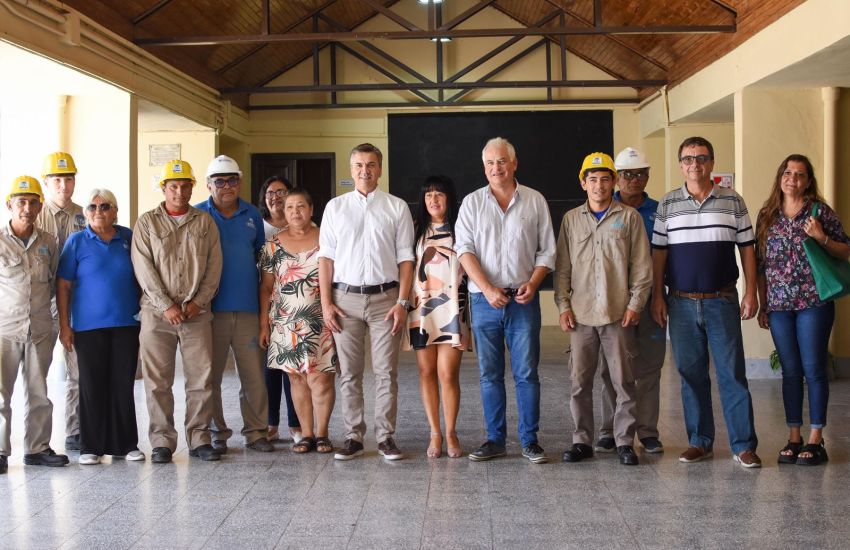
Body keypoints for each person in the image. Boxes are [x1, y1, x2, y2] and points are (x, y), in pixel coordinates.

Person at [651, 136, 761, 468]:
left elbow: (747, 249)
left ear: (711, 163)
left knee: (732, 375)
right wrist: (658, 296)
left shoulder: (733, 201)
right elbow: (659, 254)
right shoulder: (668, 204)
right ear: (680, 164)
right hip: (681, 304)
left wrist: (751, 291)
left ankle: (743, 445)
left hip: (722, 300)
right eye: (687, 159)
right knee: (691, 374)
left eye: (701, 158)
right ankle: (700, 441)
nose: (694, 164)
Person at [455, 137, 556, 464]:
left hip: (524, 300)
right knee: (489, 374)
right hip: (485, 302)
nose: (495, 168)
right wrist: (486, 288)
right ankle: (495, 439)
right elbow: (464, 250)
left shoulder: (535, 200)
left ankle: (530, 440)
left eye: (501, 161)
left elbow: (547, 250)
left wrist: (535, 281)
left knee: (527, 373)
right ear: (484, 167)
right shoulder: (471, 203)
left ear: (514, 164)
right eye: (489, 163)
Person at [318, 143, 415, 461]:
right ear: (351, 169)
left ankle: (386, 437)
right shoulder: (335, 208)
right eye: (359, 165)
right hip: (344, 299)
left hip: (386, 300)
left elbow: (406, 259)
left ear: (380, 169)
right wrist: (326, 303)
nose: (365, 170)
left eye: (371, 164)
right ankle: (353, 437)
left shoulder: (396, 207)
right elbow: (326, 260)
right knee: (349, 373)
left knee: (387, 373)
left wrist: (402, 302)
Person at [555, 153, 652, 466]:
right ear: (583, 183)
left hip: (617, 313)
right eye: (592, 179)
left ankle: (625, 441)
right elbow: (562, 269)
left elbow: (641, 266)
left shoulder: (629, 218)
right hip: (581, 316)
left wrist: (636, 304)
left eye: (605, 178)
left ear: (614, 182)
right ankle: (581, 440)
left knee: (623, 381)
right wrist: (563, 306)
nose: (599, 185)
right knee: (579, 383)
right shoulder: (571, 219)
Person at [755, 155, 850, 466]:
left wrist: (821, 236)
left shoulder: (818, 211)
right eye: (787, 172)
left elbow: (845, 248)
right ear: (780, 177)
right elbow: (760, 265)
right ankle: (793, 436)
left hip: (813, 303)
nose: (792, 178)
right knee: (791, 372)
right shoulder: (767, 214)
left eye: (799, 174)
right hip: (780, 306)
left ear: (808, 181)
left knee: (814, 369)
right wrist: (763, 303)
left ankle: (815, 438)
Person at [131, 160, 223, 463]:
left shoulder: (205, 222)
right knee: (158, 381)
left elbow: (214, 267)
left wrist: (198, 302)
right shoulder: (146, 223)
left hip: (197, 314)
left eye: (185, 185)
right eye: (174, 186)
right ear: (164, 188)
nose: (180, 191)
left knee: (201, 378)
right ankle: (161, 441)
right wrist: (166, 305)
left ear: (192, 187)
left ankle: (199, 438)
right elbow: (143, 268)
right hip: (157, 315)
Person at [56, 189, 144, 465]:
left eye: (104, 206)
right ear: (85, 214)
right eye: (92, 207)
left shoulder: (127, 237)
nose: (98, 211)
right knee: (91, 385)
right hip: (87, 327)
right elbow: (64, 285)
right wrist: (64, 325)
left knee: (122, 383)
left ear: (115, 211)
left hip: (126, 323)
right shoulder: (76, 241)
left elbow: (143, 274)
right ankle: (90, 446)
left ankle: (125, 444)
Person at [195, 155, 273, 454]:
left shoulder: (252, 214)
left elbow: (261, 260)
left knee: (253, 375)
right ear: (208, 185)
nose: (227, 186)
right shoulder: (198, 215)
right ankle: (217, 433)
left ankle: (256, 433)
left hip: (247, 308)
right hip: (209, 312)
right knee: (210, 376)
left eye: (232, 180)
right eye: (220, 181)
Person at [595, 147, 667, 454]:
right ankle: (609, 428)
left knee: (649, 366)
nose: (633, 180)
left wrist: (658, 298)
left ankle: (647, 430)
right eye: (626, 174)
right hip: (611, 304)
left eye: (639, 174)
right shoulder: (603, 210)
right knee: (611, 368)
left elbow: (665, 257)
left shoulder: (660, 211)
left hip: (651, 300)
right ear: (615, 179)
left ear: (648, 176)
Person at [259, 190, 337, 454]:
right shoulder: (272, 245)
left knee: (321, 379)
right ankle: (306, 434)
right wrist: (263, 324)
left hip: (321, 320)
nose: (294, 211)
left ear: (311, 209)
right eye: (289, 206)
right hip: (285, 323)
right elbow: (266, 287)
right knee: (297, 380)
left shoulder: (326, 240)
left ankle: (323, 433)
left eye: (300, 206)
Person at [0, 176, 68, 473]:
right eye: (21, 202)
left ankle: (38, 449)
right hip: (5, 330)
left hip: (40, 329)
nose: (27, 208)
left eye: (33, 202)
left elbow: (55, 283)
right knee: (1, 393)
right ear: (10, 205)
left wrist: (56, 323)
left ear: (41, 206)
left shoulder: (49, 242)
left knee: (39, 392)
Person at [404, 175, 470, 459]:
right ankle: (435, 432)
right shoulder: (415, 230)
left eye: (439, 194)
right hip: (421, 309)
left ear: (449, 198)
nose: (433, 199)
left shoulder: (461, 228)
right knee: (426, 372)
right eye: (428, 194)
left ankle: (452, 432)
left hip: (453, 309)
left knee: (447, 373)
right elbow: (406, 267)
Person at [36, 152, 85, 452]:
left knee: (78, 371)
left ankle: (75, 430)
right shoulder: (33, 213)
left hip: (77, 303)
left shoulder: (85, 214)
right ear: (46, 182)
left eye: (68, 179)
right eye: (57, 179)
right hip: (41, 306)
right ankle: (36, 441)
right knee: (36, 375)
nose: (63, 185)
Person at [257, 175, 301, 443]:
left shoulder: (303, 226)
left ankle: (296, 424)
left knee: (293, 367)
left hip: (296, 306)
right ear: (264, 198)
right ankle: (270, 422)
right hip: (265, 303)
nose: (275, 197)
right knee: (269, 366)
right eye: (270, 192)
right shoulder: (256, 227)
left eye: (281, 192)